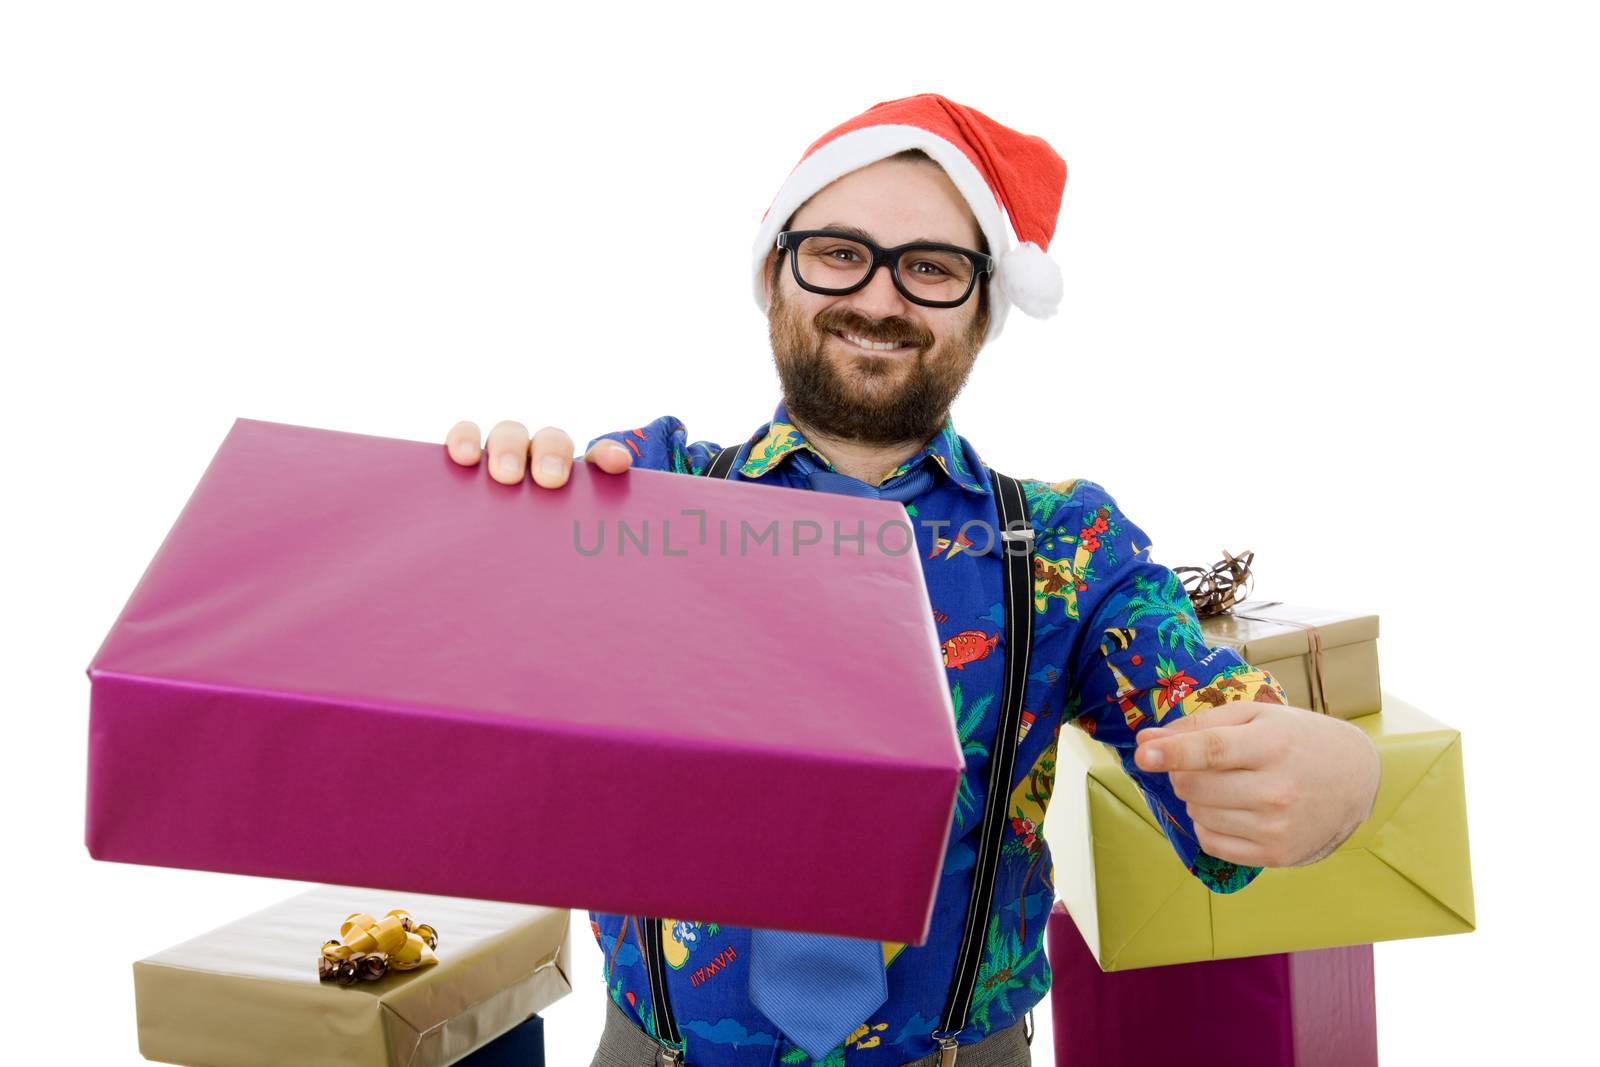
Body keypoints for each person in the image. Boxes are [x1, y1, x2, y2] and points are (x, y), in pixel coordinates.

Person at [443, 94, 1381, 1067]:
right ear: (774, 273)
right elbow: (463, 679)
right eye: (839, 253)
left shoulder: (1065, 547)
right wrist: (486, 516)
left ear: (984, 308)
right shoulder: (640, 491)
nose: (880, 299)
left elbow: (1220, 743)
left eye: (930, 269)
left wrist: (1340, 782)